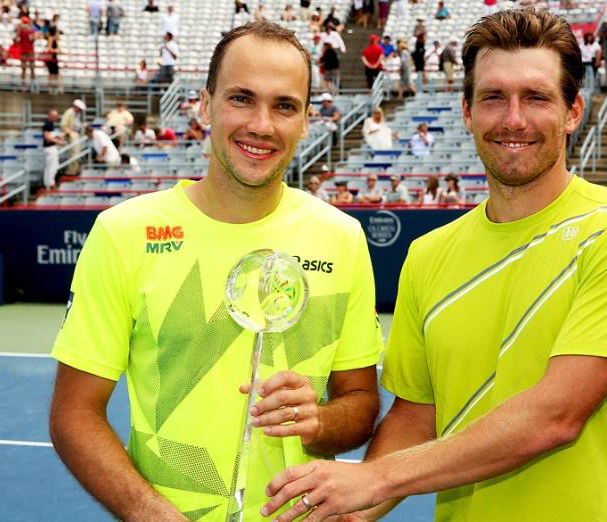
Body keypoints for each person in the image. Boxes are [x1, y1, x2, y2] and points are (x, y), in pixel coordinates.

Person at [260, 10, 607, 522]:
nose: (514, 119)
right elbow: (418, 415)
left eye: (537, 97)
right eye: (494, 97)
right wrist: (350, 512)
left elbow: (555, 416)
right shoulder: (429, 254)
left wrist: (372, 479)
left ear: (573, 112)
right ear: (467, 111)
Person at [49, 20, 382, 522]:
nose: (262, 125)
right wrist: (151, 514)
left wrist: (318, 419)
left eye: (284, 105)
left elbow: (359, 404)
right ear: (205, 105)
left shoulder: (341, 237)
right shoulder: (124, 232)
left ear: (307, 120)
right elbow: (74, 414)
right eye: (241, 98)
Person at [61, 99, 86, 176]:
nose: (80, 111)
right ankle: (72, 170)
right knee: (74, 153)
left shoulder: (76, 114)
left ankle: (76, 169)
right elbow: (63, 124)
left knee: (77, 153)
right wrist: (69, 133)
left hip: (76, 134)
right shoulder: (69, 113)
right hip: (72, 134)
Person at [42, 109, 65, 189]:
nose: (56, 118)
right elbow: (47, 137)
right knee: (53, 166)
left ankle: (48, 183)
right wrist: (59, 142)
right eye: (55, 116)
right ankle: (50, 183)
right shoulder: (48, 124)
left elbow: (51, 135)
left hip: (49, 147)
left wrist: (58, 136)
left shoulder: (50, 124)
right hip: (50, 148)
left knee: (50, 166)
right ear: (51, 116)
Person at [15, 15, 37, 87]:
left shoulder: (22, 31)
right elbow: (31, 39)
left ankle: (25, 85)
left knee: (26, 68)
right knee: (30, 68)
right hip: (28, 51)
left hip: (26, 51)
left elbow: (17, 40)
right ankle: (29, 84)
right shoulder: (28, 31)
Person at [44, 26, 61, 92]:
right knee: (52, 74)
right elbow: (49, 48)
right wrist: (56, 50)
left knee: (55, 73)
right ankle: (50, 89)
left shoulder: (54, 38)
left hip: (54, 57)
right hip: (51, 58)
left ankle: (55, 89)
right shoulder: (50, 38)